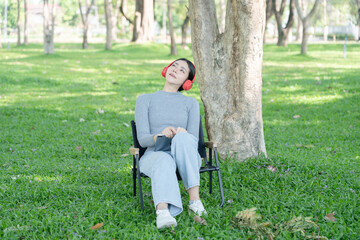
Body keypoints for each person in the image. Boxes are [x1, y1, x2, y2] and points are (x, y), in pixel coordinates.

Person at [134, 58, 207, 229]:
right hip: (155, 155)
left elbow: (193, 141)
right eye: (174, 66)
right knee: (163, 159)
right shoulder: (145, 100)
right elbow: (143, 140)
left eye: (182, 70)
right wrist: (157, 136)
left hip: (185, 155)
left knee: (183, 138)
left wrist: (183, 134)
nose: (175, 70)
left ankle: (194, 201)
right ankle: (163, 213)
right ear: (166, 69)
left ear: (187, 82)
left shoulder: (190, 103)